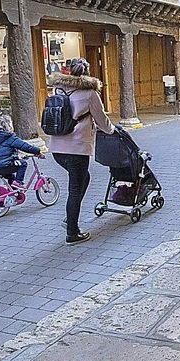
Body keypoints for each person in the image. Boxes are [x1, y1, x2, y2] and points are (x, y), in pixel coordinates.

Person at [47, 58, 115, 245]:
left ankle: (70, 219)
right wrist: (112, 130)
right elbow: (101, 119)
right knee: (75, 189)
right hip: (76, 149)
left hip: (57, 148)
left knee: (83, 178)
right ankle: (72, 231)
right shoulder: (90, 93)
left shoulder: (58, 89)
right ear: (86, 72)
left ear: (69, 71)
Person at [0, 114, 42, 184]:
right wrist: (37, 151)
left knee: (11, 176)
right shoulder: (10, 138)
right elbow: (25, 146)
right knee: (23, 164)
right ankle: (18, 183)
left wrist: (15, 156)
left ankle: (14, 192)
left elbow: (4, 153)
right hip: (3, 165)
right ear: (8, 126)